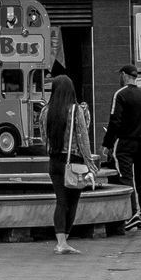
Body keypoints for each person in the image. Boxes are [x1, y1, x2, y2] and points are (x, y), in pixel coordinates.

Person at [41, 74, 99, 254]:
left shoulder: (45, 111)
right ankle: (63, 242)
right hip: (74, 162)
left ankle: (60, 242)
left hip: (54, 161)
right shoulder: (76, 110)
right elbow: (83, 138)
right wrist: (90, 164)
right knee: (72, 202)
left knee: (60, 201)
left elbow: (44, 138)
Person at [100, 63, 141, 231]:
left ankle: (132, 215)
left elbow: (115, 121)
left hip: (125, 143)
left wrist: (107, 144)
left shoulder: (120, 94)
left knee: (126, 178)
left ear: (123, 75)